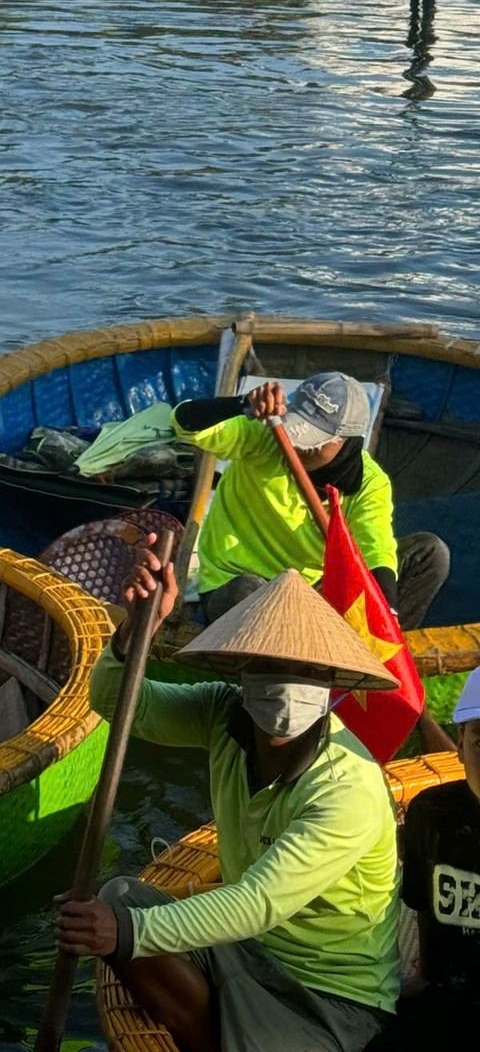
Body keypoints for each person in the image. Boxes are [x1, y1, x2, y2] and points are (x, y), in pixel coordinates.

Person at [58, 557, 401, 1052]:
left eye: (306, 670)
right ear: (242, 668)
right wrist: (139, 628)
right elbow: (118, 700)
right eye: (268, 665)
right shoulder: (223, 711)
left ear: (330, 681)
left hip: (332, 997)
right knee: (119, 897)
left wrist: (124, 932)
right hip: (245, 951)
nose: (287, 683)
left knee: (126, 923)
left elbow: (258, 902)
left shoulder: (347, 787)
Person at [176, 371, 449, 628]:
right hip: (237, 585)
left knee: (430, 552)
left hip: (312, 590)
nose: (300, 447)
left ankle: (379, 656)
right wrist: (240, 404)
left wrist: (384, 612)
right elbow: (185, 424)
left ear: (346, 440)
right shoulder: (264, 435)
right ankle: (305, 654)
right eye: (299, 432)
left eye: (316, 440)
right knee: (250, 590)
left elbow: (375, 549)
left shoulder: (370, 482)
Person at [372, 664, 480, 1042]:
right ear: (461, 743)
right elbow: (421, 902)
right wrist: (425, 976)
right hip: (446, 989)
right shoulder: (430, 813)